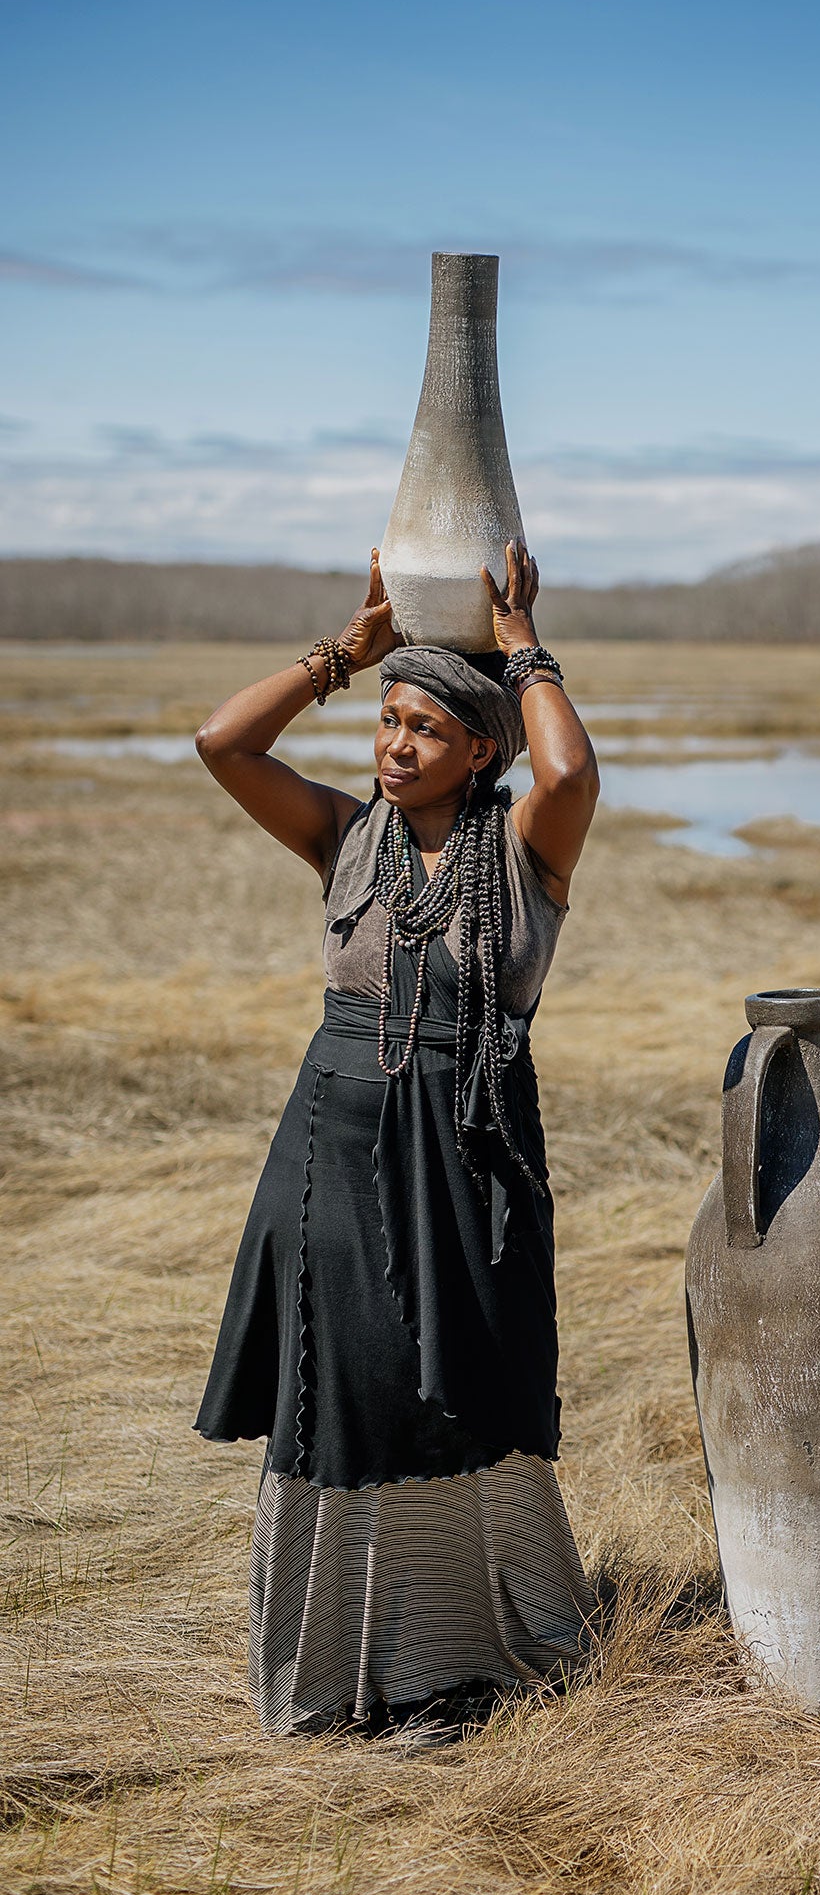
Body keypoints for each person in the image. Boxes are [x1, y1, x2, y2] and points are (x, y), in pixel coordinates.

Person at [193, 541, 600, 1737]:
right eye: (388, 720)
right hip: (332, 1153)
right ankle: (339, 1664)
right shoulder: (344, 835)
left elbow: (572, 768)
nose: (396, 744)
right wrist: (345, 652)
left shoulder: (526, 851)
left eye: (427, 728)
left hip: (471, 1162)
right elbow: (223, 743)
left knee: (469, 1393)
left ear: (480, 751)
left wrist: (522, 647)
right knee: (351, 1397)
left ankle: (459, 1648)